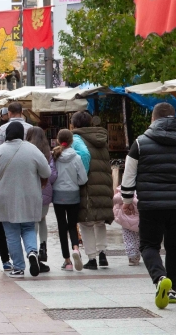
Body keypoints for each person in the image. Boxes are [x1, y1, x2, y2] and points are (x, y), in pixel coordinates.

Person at [121, 102, 176, 308]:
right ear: (174, 117)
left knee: (149, 245)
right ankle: (172, 290)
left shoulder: (140, 143)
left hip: (151, 204)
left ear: (153, 119)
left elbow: (129, 175)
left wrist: (126, 200)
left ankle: (160, 278)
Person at [0, 122, 51, 278]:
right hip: (30, 197)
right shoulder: (32, 149)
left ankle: (18, 267)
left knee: (11, 233)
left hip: (6, 198)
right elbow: (46, 171)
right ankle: (32, 251)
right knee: (29, 227)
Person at [70, 111, 114, 270]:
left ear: (74, 124)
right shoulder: (101, 138)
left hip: (87, 185)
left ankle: (92, 258)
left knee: (86, 222)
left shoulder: (76, 139)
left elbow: (82, 158)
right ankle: (103, 254)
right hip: (103, 183)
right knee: (99, 221)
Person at [51, 130, 88, 272]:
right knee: (72, 225)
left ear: (58, 141)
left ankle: (67, 261)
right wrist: (75, 182)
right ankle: (76, 249)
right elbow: (83, 179)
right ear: (72, 141)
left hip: (58, 196)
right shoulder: (76, 157)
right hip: (73, 195)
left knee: (62, 227)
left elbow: (51, 174)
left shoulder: (54, 156)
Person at [26, 126, 56, 272]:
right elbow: (53, 175)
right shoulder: (48, 153)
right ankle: (43, 245)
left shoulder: (27, 152)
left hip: (30, 191)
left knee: (33, 222)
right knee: (42, 219)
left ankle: (35, 252)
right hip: (46, 192)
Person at [113, 185, 141, 266]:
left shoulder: (124, 188)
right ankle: (137, 254)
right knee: (139, 239)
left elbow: (115, 199)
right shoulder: (143, 190)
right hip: (139, 222)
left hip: (125, 220)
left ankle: (132, 256)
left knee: (128, 239)